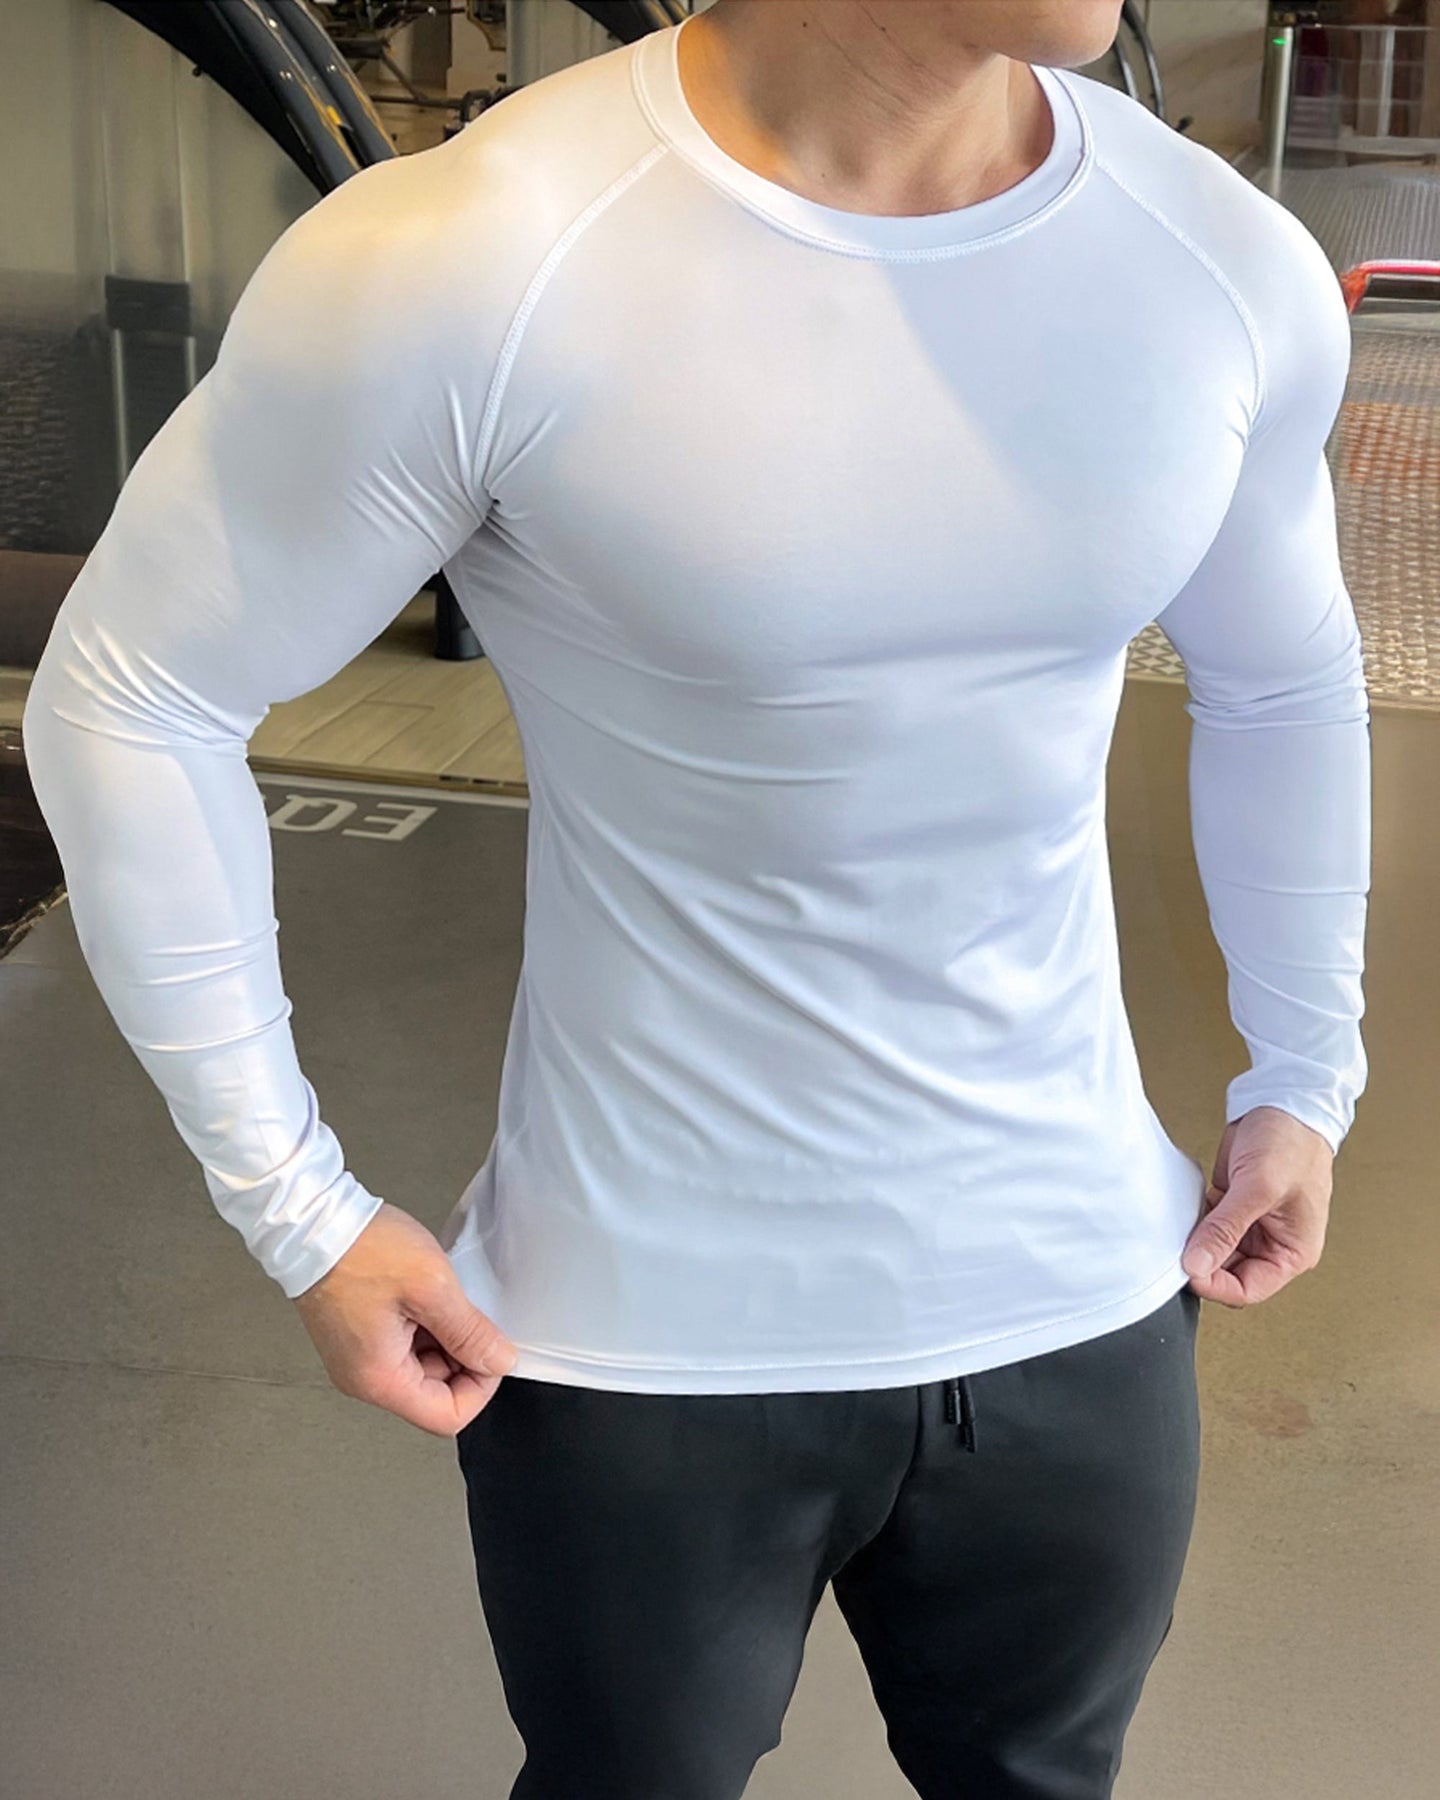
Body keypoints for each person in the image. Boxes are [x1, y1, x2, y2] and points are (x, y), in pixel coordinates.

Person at [22, 1, 1370, 1794]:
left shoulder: (1217, 263)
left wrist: (1308, 1070)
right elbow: (133, 694)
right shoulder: (478, 258)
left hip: (1086, 1301)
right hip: (642, 1341)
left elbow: (1285, 678)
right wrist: (299, 1208)